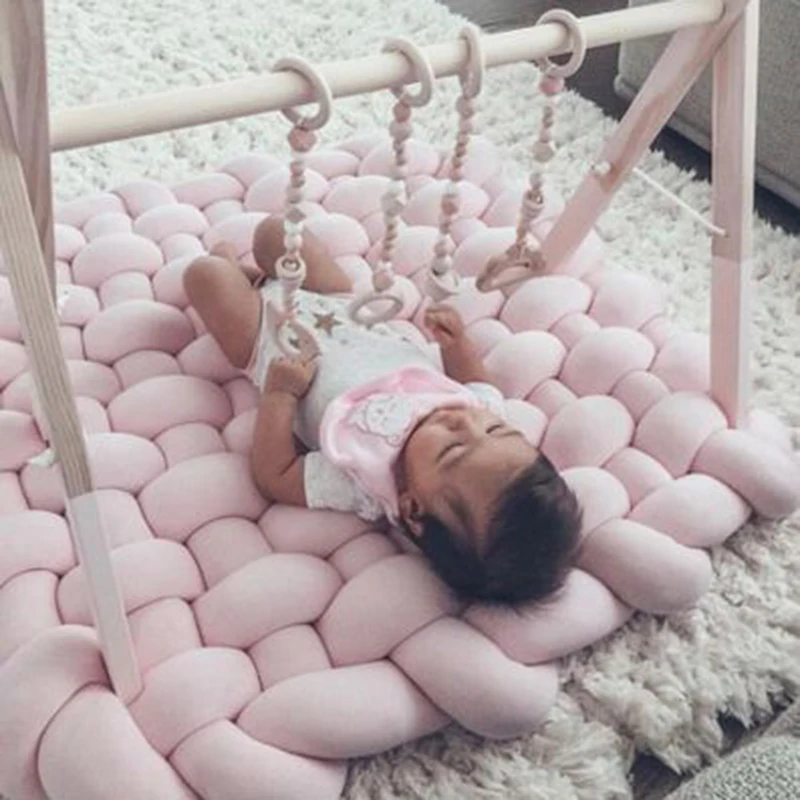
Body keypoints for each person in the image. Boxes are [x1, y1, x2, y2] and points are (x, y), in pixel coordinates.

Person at [184, 216, 582, 606]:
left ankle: (241, 280)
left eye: (452, 450)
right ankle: (258, 277)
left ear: (412, 507)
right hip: (341, 305)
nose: (465, 422)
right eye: (497, 431)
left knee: (206, 276)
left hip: (267, 340)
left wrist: (280, 395)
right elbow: (480, 385)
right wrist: (455, 344)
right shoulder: (480, 410)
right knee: (279, 233)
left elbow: (275, 476)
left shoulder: (362, 479)